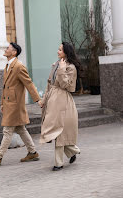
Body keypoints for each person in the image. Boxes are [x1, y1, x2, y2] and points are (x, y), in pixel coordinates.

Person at [0, 42, 42, 166]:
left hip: (15, 104)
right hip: (9, 103)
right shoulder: (8, 65)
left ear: (14, 52)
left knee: (7, 130)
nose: (5, 50)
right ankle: (32, 152)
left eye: (8, 48)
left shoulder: (18, 66)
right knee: (21, 129)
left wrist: (38, 99)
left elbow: (29, 83)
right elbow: (5, 87)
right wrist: (2, 103)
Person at [40, 42, 81, 171]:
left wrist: (62, 69)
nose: (57, 51)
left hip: (63, 100)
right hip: (52, 99)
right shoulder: (56, 64)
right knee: (56, 129)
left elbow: (67, 86)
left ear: (66, 52)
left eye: (60, 50)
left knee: (59, 130)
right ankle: (73, 151)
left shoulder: (71, 67)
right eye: (58, 49)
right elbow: (49, 84)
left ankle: (58, 163)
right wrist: (44, 100)